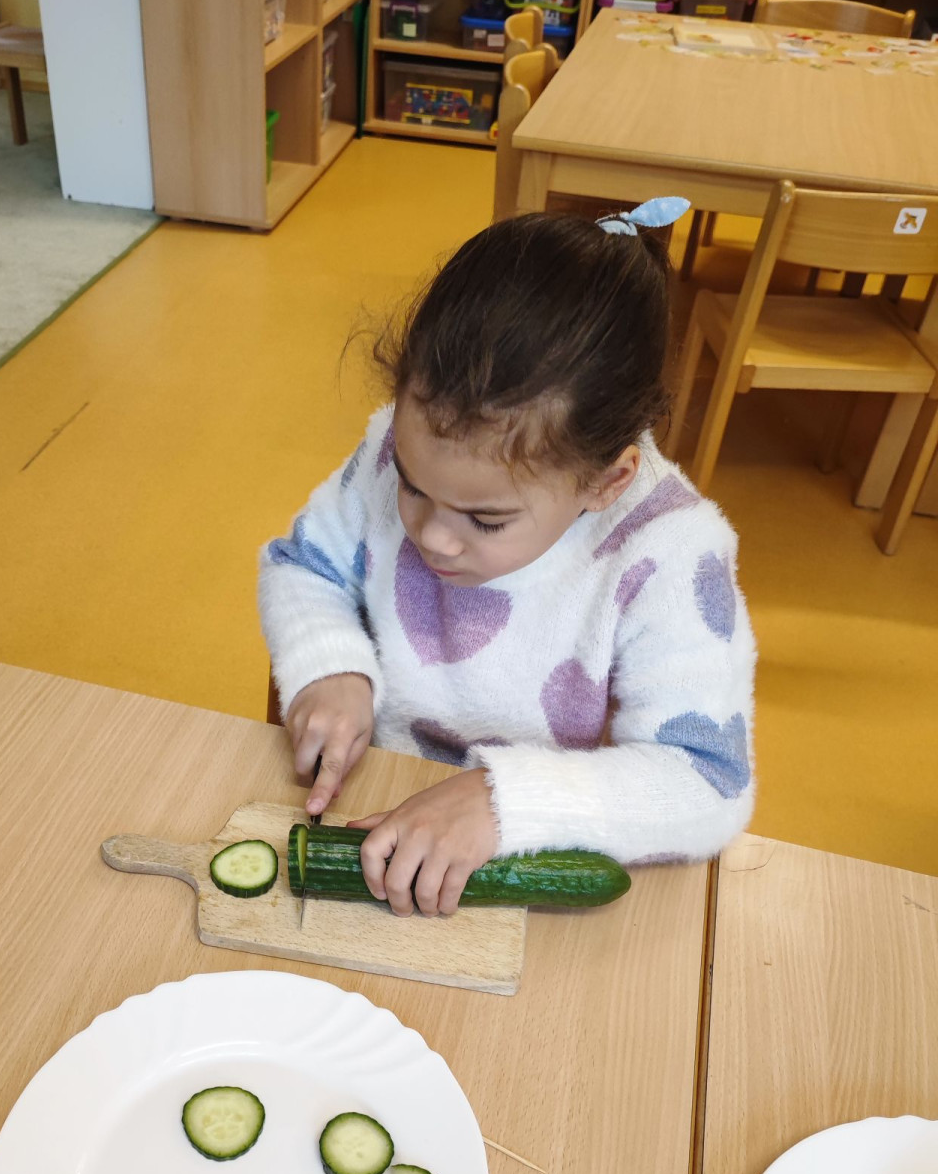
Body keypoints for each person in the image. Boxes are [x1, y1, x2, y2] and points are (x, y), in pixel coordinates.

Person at [258, 200, 755, 918]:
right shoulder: (398, 445)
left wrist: (502, 802)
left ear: (606, 482)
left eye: (486, 519)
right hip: (375, 797)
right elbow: (303, 565)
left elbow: (708, 784)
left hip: (530, 847)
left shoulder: (671, 553)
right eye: (412, 487)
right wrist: (330, 667)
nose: (432, 537)